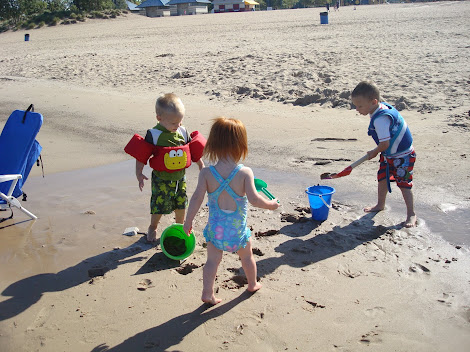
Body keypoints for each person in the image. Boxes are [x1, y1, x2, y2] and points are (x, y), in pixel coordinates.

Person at [183, 117, 279, 305]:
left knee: (212, 261)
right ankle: (252, 284)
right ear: (241, 145)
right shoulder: (244, 173)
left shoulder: (206, 173)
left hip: (216, 230)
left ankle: (207, 293)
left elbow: (196, 199)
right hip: (237, 232)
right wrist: (271, 204)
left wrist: (188, 222)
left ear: (213, 144)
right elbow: (254, 199)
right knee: (247, 257)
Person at [135, 93, 204, 242]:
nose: (177, 125)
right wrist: (139, 173)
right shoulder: (153, 135)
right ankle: (153, 227)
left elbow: (192, 150)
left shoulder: (182, 131)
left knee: (181, 204)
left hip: (180, 178)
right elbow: (141, 156)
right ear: (159, 118)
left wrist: (201, 165)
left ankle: (180, 227)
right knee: (158, 205)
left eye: (180, 121)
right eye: (173, 123)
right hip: (161, 179)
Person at [351, 81, 417, 228]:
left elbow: (385, 144)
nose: (357, 109)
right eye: (356, 105)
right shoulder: (380, 108)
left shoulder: (380, 119)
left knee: (404, 184)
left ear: (373, 101)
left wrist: (373, 152)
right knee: (383, 178)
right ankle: (380, 205)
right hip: (390, 155)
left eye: (360, 106)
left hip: (402, 156)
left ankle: (411, 214)